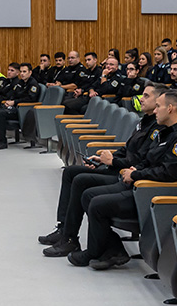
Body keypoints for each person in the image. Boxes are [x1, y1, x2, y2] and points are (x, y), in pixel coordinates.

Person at [73, 90, 177, 270]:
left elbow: (168, 173)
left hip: (152, 195)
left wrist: (136, 174)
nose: (155, 111)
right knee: (88, 195)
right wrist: (135, 169)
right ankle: (112, 249)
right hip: (140, 185)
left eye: (158, 107)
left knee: (97, 203)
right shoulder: (165, 132)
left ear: (170, 109)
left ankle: (94, 252)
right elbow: (149, 159)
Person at [40, 84, 163, 252]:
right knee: (70, 172)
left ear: (160, 102)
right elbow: (127, 149)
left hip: (126, 176)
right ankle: (63, 229)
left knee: (81, 180)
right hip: (117, 168)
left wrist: (112, 162)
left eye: (147, 96)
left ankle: (70, 238)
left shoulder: (157, 129)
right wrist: (103, 159)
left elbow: (139, 161)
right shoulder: (144, 121)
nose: (141, 98)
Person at [0, 62, 41, 150]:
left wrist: (14, 102)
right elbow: (14, 94)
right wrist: (9, 101)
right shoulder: (21, 82)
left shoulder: (33, 84)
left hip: (23, 110)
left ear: (30, 72)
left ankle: (2, 141)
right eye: (21, 71)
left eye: (24, 72)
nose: (22, 74)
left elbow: (30, 99)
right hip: (14, 107)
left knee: (1, 113)